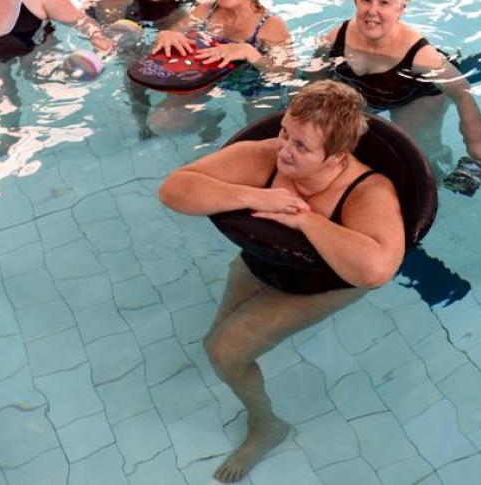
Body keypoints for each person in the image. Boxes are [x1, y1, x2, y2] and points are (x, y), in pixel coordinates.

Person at [159, 81, 405, 483]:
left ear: (337, 157)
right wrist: (256, 197)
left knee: (225, 352)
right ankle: (250, 394)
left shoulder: (368, 191)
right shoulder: (268, 158)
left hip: (319, 286)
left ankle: (267, 426)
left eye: (302, 147)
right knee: (215, 344)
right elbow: (174, 189)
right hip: (261, 263)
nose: (284, 149)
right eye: (284, 133)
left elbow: (376, 270)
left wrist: (307, 218)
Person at [320, 0, 481, 172]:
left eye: (384, 2)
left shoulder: (421, 56)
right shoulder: (337, 37)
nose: (372, 11)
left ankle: (436, 167)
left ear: (400, 9)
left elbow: (461, 92)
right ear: (356, 1)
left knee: (411, 150)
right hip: (365, 90)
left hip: (416, 94)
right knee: (339, 135)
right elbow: (317, 76)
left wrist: (477, 141)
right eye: (366, 0)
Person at [148, 0, 294, 123]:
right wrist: (165, 35)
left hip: (256, 87)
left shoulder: (271, 26)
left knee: (256, 133)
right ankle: (209, 119)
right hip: (212, 80)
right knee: (160, 122)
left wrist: (248, 52)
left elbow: (287, 74)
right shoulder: (204, 12)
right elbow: (165, 42)